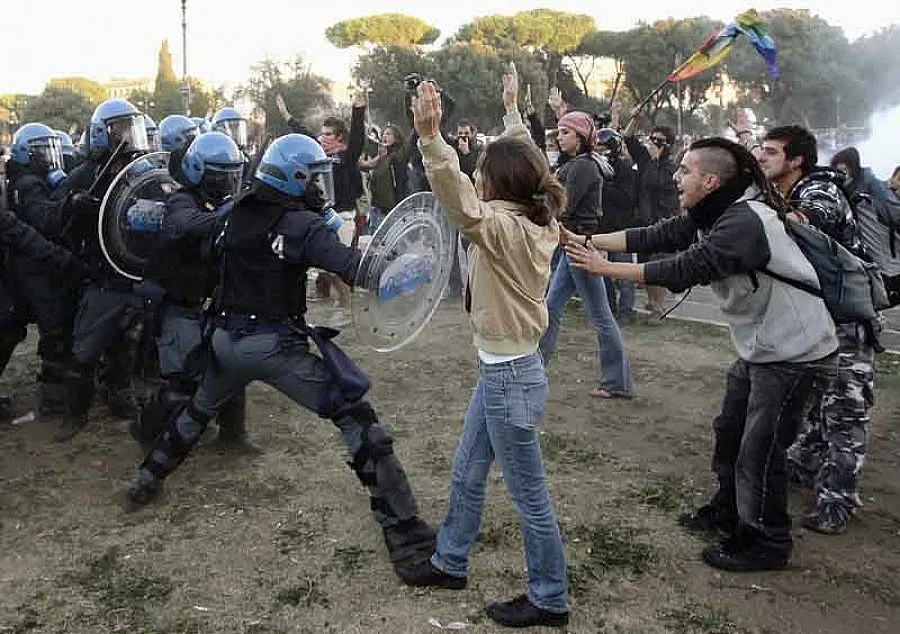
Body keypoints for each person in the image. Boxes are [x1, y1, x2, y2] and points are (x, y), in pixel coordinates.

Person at [122, 132, 436, 578]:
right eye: (314, 179)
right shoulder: (298, 225)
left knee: (195, 413)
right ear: (294, 177)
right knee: (356, 418)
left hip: (225, 340)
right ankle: (407, 537)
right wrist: (413, 265)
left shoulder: (235, 213)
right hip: (270, 346)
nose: (318, 188)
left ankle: (145, 481)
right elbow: (357, 270)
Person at [564, 137, 839, 571]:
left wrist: (604, 267)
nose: (677, 177)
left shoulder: (744, 222)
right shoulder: (714, 211)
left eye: (685, 171)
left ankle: (766, 540)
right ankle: (729, 509)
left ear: (710, 180)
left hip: (796, 351)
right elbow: (659, 235)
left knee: (760, 449)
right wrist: (585, 238)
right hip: (763, 346)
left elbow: (686, 267)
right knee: (730, 429)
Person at [400, 66, 569, 629]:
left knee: (529, 499)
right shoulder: (535, 214)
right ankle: (450, 562)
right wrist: (514, 111)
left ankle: (549, 599)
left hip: (511, 378)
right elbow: (524, 160)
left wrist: (430, 140)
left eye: (482, 174)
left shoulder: (503, 227)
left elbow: (462, 204)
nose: (477, 178)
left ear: (498, 186)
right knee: (467, 472)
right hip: (503, 371)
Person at [759, 126, 878, 534]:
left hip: (847, 323)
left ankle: (838, 498)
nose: (762, 157)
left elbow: (810, 218)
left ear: (796, 161)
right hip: (816, 321)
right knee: (811, 401)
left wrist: (774, 216)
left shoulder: (819, 191)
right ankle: (807, 462)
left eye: (771, 152)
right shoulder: (784, 193)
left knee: (845, 411)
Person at [129, 132, 252, 454]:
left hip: (212, 303)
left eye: (231, 174)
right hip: (177, 304)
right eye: (219, 174)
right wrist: (231, 211)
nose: (227, 181)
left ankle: (233, 436)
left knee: (232, 366)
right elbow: (188, 224)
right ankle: (147, 430)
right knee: (183, 383)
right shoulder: (180, 200)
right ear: (199, 170)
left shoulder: (223, 204)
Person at [54, 98, 152, 441]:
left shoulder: (139, 172)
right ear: (102, 134)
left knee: (127, 340)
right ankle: (74, 414)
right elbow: (57, 221)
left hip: (132, 273)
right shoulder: (84, 175)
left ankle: (119, 394)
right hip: (101, 276)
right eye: (121, 129)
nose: (128, 136)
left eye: (132, 127)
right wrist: (73, 206)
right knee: (84, 350)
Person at [539, 110, 634, 399]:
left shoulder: (582, 166)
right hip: (573, 245)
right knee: (551, 308)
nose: (559, 136)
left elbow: (562, 206)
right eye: (558, 131)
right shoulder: (579, 163)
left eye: (565, 132)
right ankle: (534, 367)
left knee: (600, 314)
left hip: (580, 244)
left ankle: (617, 382)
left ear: (581, 137)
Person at [5, 123, 81, 417]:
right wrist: (68, 201)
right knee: (54, 327)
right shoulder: (28, 185)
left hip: (32, 262)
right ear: (26, 153)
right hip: (33, 264)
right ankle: (53, 398)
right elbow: (44, 221)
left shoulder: (27, 180)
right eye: (40, 151)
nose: (47, 157)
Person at [621, 106, 680, 318]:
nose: (653, 143)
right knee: (646, 265)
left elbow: (669, 194)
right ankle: (652, 303)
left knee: (658, 266)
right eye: (652, 138)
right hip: (644, 221)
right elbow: (627, 137)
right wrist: (635, 118)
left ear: (668, 145)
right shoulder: (646, 162)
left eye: (658, 141)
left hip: (663, 222)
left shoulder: (671, 169)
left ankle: (658, 307)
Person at [596, 127, 639, 322]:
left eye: (602, 147)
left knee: (624, 272)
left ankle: (625, 310)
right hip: (604, 226)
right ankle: (610, 309)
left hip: (621, 227)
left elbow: (627, 197)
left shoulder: (624, 167)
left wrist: (604, 186)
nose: (598, 150)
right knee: (603, 272)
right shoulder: (600, 165)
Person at [358, 124, 409, 233]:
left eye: (388, 134)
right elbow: (366, 166)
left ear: (397, 137)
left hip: (390, 211)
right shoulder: (381, 156)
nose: (384, 136)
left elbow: (401, 184)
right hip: (376, 208)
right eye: (384, 134)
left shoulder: (397, 157)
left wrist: (398, 208)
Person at [830, 146, 899, 203]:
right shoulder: (835, 185)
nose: (842, 174)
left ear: (852, 166)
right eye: (838, 170)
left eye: (845, 170)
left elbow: (890, 204)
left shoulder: (870, 183)